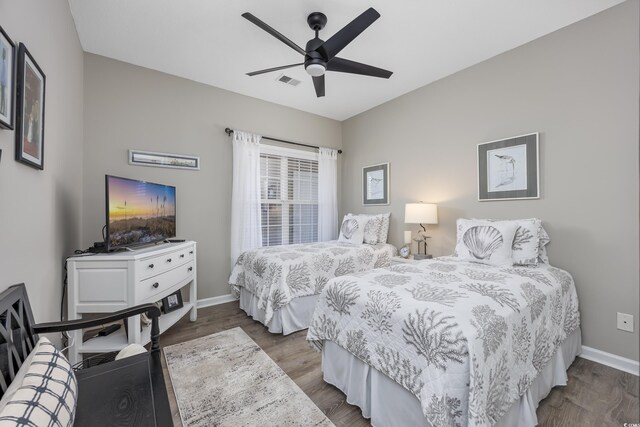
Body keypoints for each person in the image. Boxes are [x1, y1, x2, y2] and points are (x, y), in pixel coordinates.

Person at [0, 47, 7, 117]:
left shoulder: (4, 63)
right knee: (2, 96)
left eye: (3, 53)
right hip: (3, 82)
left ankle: (2, 109)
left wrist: (2, 81)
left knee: (2, 96)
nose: (2, 54)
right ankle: (2, 109)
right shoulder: (3, 62)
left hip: (3, 82)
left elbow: (3, 74)